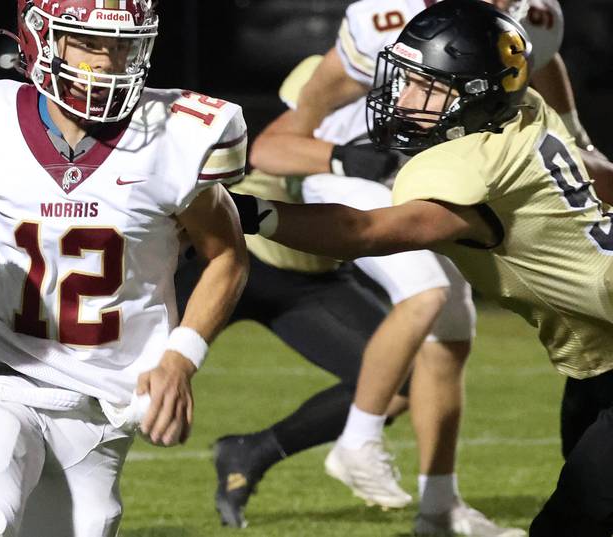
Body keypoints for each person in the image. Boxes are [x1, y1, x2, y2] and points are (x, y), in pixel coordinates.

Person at [0, 1, 249, 536]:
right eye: (89, 44)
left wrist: (181, 358)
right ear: (40, 39)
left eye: (122, 46)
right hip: (9, 372)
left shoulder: (174, 136)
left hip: (108, 397)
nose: (108, 62)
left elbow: (227, 255)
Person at [234, 0, 613, 534]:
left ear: (476, 95)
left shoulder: (468, 167)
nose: (402, 98)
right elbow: (594, 168)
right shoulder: (527, 110)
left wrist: (247, 211)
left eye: (427, 87)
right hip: (596, 360)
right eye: (406, 80)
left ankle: (365, 446)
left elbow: (363, 233)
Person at [175, 169, 415, 528]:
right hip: (231, 256)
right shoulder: (274, 113)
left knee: (403, 376)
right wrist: (336, 153)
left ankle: (252, 453)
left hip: (312, 277)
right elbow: (274, 145)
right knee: (123, 370)